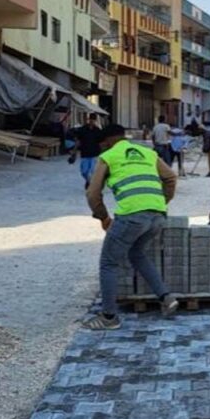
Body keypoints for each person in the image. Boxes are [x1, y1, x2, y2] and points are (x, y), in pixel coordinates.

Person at [84, 124, 179, 330]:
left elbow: (92, 193)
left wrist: (103, 217)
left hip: (132, 216)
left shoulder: (108, 156)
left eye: (102, 145)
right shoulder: (148, 152)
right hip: (157, 216)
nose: (102, 148)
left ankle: (109, 317)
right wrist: (160, 203)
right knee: (136, 254)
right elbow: (171, 177)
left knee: (108, 262)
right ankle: (166, 297)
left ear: (107, 141)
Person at [68, 113, 104, 189]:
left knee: (93, 172)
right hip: (85, 153)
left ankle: (91, 184)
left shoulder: (98, 131)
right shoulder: (83, 130)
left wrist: (103, 154)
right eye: (91, 119)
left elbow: (101, 143)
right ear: (88, 119)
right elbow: (78, 141)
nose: (92, 121)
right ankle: (89, 181)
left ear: (95, 121)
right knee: (84, 172)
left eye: (93, 120)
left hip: (95, 154)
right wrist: (74, 153)